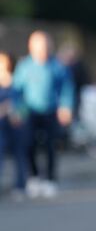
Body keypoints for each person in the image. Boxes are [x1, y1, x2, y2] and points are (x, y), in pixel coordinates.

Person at [12, 30, 74, 199]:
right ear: (31, 47)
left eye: (45, 46)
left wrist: (65, 107)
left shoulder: (57, 66)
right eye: (38, 46)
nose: (42, 50)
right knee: (28, 144)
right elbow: (17, 91)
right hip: (30, 111)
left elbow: (66, 88)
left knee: (50, 145)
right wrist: (17, 110)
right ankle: (33, 177)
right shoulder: (25, 66)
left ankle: (50, 179)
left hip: (51, 110)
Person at [0, 51, 26, 200]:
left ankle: (20, 186)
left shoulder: (17, 81)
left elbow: (22, 103)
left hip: (15, 123)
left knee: (19, 154)